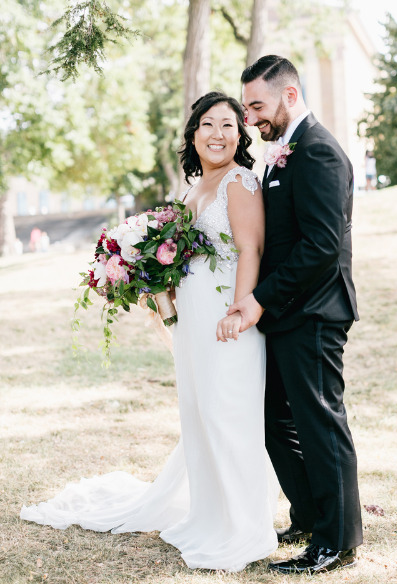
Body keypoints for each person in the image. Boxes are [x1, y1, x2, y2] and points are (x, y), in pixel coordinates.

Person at [20, 92, 278, 572]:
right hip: (195, 320)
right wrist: (144, 281)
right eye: (207, 125)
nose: (217, 134)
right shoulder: (194, 188)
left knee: (229, 416)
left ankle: (244, 528)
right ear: (193, 134)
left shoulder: (240, 182)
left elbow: (249, 249)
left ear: (241, 133)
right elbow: (181, 257)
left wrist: (241, 311)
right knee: (200, 415)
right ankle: (211, 515)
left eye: (227, 125)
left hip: (229, 318)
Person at [228, 55, 363, 575]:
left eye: (256, 106)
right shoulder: (282, 150)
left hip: (314, 312)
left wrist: (259, 298)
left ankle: (337, 539)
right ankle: (308, 514)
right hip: (284, 314)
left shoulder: (320, 153)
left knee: (320, 424)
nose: (250, 119)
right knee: (273, 420)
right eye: (245, 108)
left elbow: (322, 247)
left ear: (289, 95)